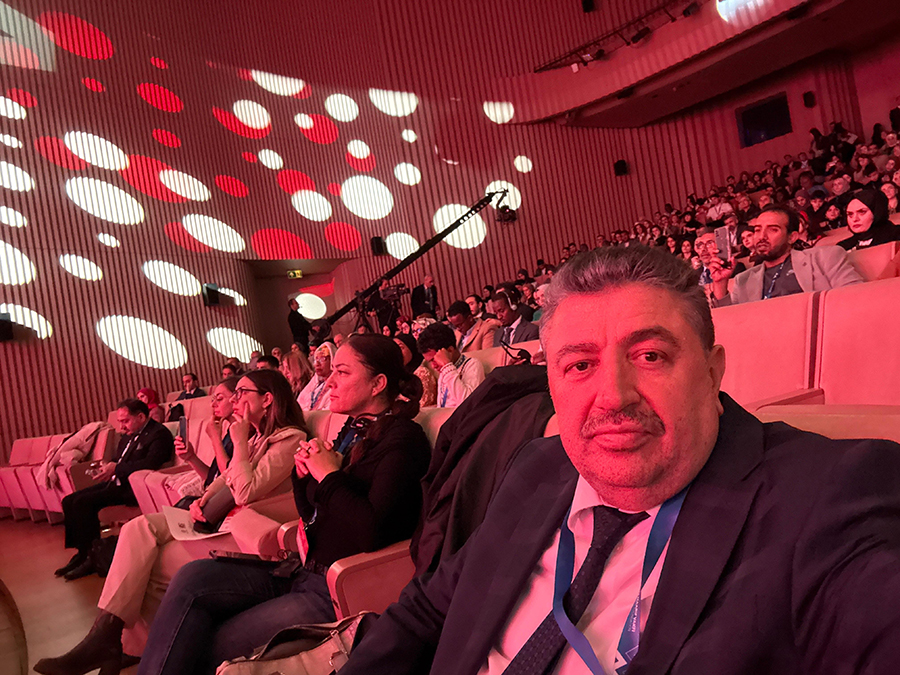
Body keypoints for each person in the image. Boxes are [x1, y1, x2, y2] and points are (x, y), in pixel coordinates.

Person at [337, 245, 900, 675]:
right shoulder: (537, 466)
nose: (613, 396)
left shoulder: (827, 495)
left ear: (712, 372)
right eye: (579, 365)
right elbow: (430, 610)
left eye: (650, 355)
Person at [139, 335, 431, 675]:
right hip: (301, 568)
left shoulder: (403, 438)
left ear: (378, 383)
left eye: (342, 372)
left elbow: (371, 531)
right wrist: (304, 476)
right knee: (192, 577)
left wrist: (327, 476)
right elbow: (312, 514)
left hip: (335, 586)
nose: (329, 381)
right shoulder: (355, 430)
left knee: (210, 643)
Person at [37, 373, 305, 675]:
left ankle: (125, 646)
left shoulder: (290, 439)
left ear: (267, 399)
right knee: (136, 529)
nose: (235, 399)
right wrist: (203, 499)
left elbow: (244, 490)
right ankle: (106, 635)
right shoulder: (255, 437)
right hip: (224, 517)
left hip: (250, 531)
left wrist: (239, 439)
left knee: (157, 560)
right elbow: (227, 478)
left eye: (242, 392)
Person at [53, 400, 174, 582]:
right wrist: (107, 467)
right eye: (120, 421)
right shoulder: (127, 435)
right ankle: (82, 552)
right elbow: (119, 460)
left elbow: (151, 463)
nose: (122, 426)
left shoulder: (159, 434)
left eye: (125, 421)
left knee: (83, 503)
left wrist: (116, 468)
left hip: (134, 487)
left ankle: (92, 557)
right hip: (117, 482)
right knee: (69, 501)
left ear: (141, 417)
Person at [712, 206, 863, 305]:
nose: (762, 236)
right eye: (757, 230)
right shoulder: (743, 280)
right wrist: (720, 283)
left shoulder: (825, 258)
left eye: (773, 230)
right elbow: (731, 322)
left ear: (792, 237)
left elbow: (856, 298)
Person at [417, 322, 486, 408]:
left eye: (434, 360)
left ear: (450, 350)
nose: (433, 366)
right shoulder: (444, 371)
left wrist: (447, 366)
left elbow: (468, 404)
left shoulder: (472, 365)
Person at [394, 332, 437, 408]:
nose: (398, 353)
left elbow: (424, 405)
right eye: (395, 349)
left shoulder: (422, 373)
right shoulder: (398, 375)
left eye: (401, 348)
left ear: (411, 347)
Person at [296, 342, 335, 411]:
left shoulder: (337, 385)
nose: (317, 364)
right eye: (316, 359)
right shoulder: (314, 384)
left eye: (322, 359)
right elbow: (299, 403)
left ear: (332, 360)